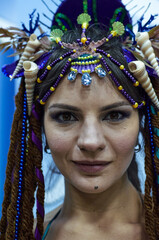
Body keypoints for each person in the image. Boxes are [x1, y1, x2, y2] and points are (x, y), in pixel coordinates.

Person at [0, 4, 159, 240]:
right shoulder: (19, 234)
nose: (90, 142)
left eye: (114, 115)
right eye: (66, 117)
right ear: (40, 126)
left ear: (141, 124)